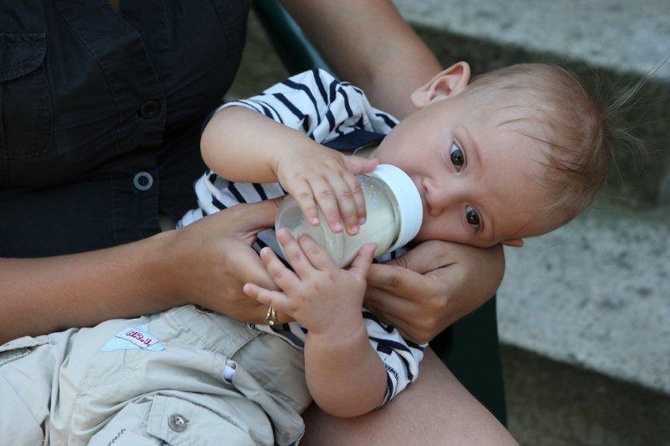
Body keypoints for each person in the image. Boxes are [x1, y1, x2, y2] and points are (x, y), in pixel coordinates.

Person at [4, 61, 610, 444]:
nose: (437, 196)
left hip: (214, 399)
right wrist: (288, 154)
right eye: (456, 158)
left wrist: (337, 328)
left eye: (475, 218)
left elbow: (358, 399)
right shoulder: (332, 112)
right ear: (439, 88)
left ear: (500, 242)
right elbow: (222, 135)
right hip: (105, 331)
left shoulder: (413, 280)